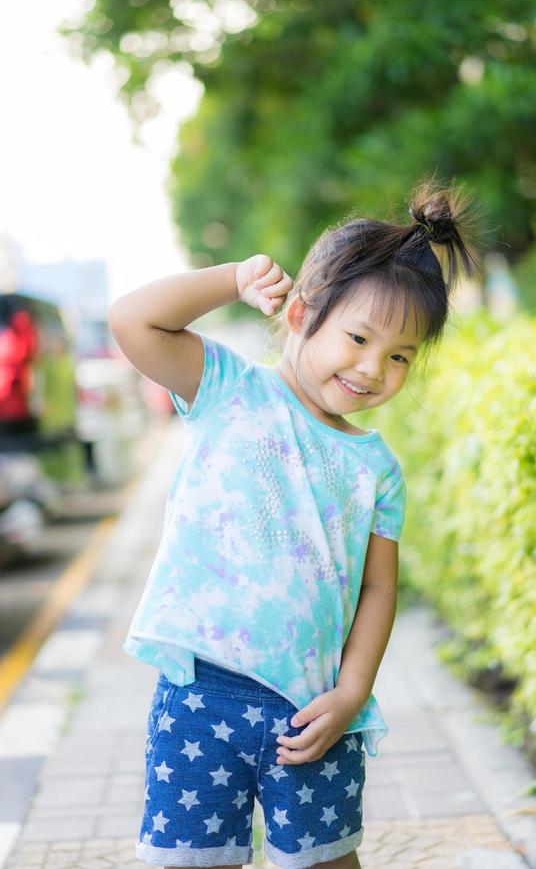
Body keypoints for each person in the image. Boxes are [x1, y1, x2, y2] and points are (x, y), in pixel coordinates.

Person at [108, 175, 481, 869]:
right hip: (201, 696)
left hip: (313, 711)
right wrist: (233, 277)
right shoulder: (227, 389)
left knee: (326, 859)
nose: (374, 368)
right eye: (359, 337)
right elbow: (134, 321)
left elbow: (377, 591)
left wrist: (352, 693)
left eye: (400, 356)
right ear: (303, 312)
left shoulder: (377, 467)